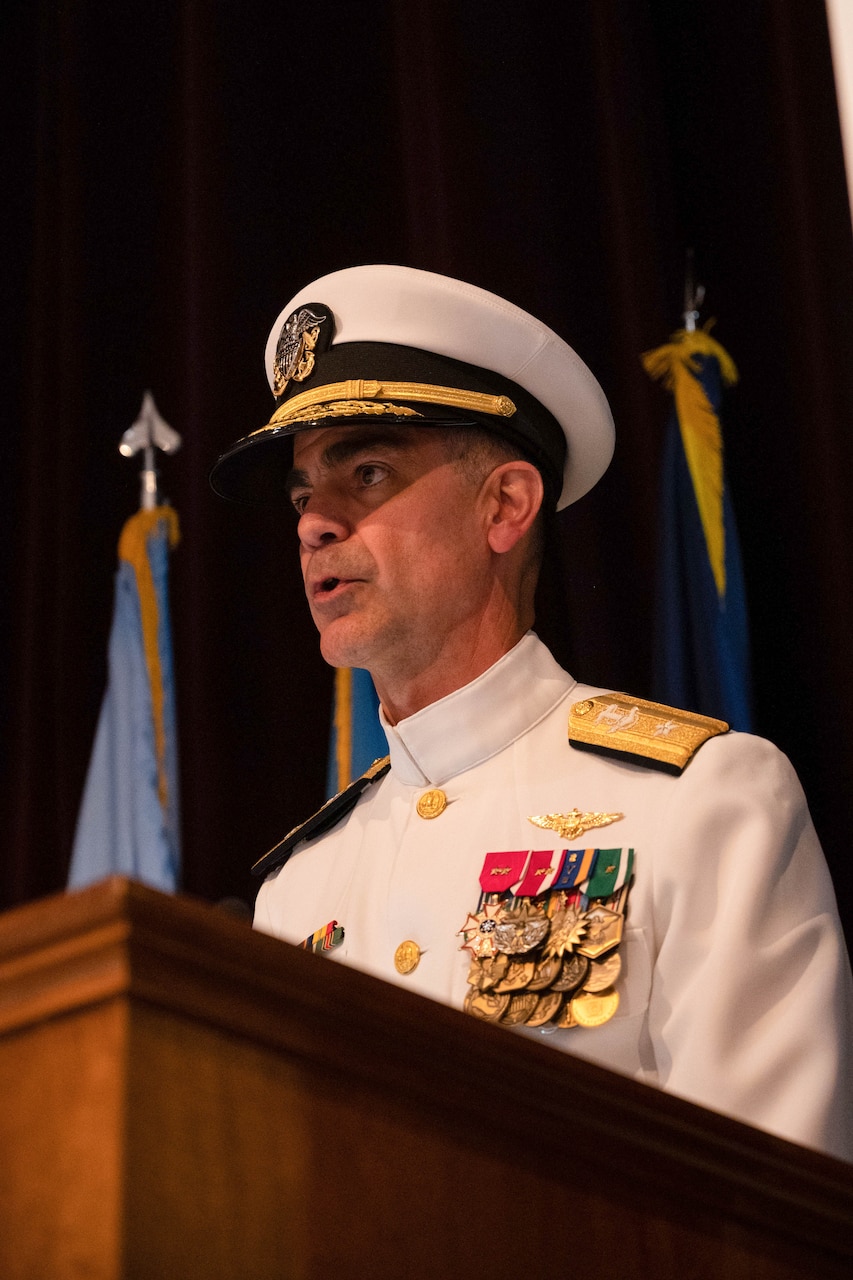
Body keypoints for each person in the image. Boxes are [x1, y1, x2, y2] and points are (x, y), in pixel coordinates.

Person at [210, 264, 853, 1162]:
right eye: (302, 493)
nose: (314, 521)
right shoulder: (296, 888)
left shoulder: (702, 802)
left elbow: (771, 1210)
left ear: (504, 506)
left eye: (366, 470)